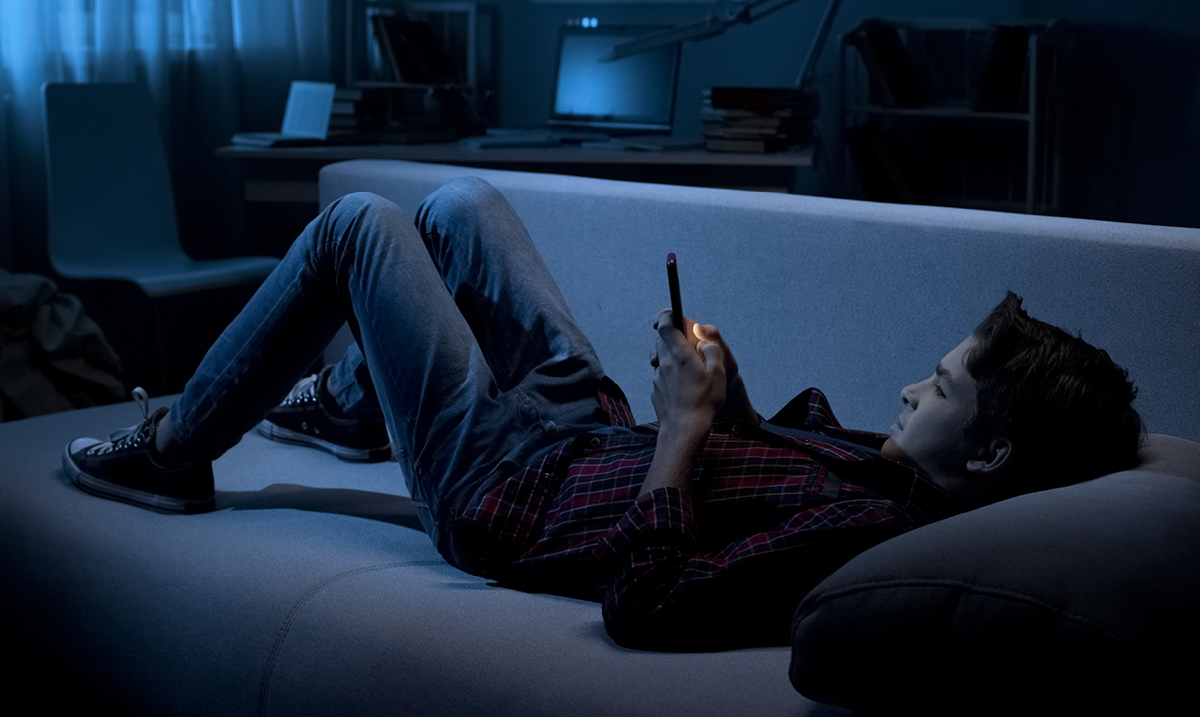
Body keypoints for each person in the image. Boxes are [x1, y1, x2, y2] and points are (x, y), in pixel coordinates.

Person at [63, 178, 1143, 650]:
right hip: (581, 426)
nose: (912, 386)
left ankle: (171, 449)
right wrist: (721, 386)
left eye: (941, 387)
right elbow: (768, 443)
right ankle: (356, 408)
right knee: (458, 210)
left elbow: (650, 598)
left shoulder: (869, 544)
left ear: (994, 452)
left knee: (359, 226)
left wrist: (681, 434)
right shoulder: (896, 470)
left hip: (507, 485)